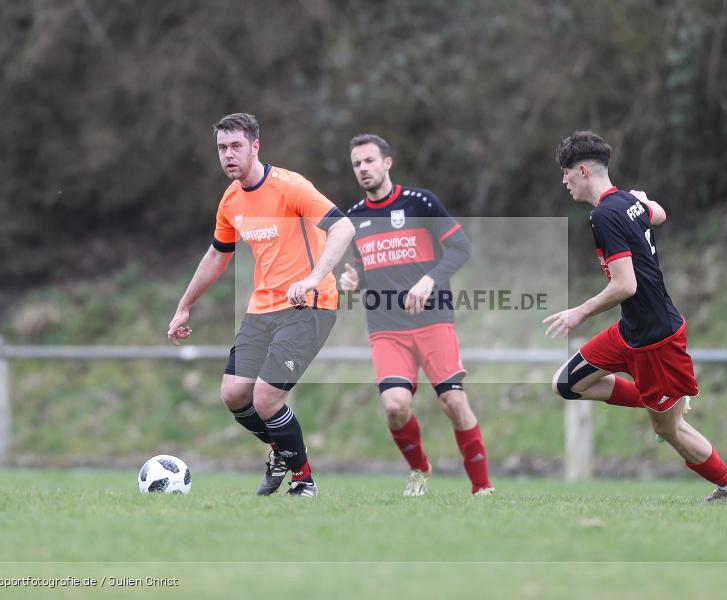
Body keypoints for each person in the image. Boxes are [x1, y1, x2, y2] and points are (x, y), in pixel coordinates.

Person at [544, 130, 727, 505]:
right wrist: (642, 201)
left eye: (567, 172)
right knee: (566, 383)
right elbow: (659, 213)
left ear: (585, 172)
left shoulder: (605, 214)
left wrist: (580, 312)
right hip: (630, 332)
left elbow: (626, 285)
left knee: (669, 430)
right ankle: (658, 399)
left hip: (657, 338)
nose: (564, 181)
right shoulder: (625, 201)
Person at [167, 113, 355, 498]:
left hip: (310, 305)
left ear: (256, 146)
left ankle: (304, 481)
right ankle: (280, 451)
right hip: (262, 308)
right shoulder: (231, 199)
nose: (228, 155)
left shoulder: (290, 186)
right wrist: (185, 305)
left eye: (236, 146)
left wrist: (313, 278)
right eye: (222, 148)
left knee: (267, 398)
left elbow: (344, 227)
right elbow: (218, 256)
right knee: (234, 394)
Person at [339, 134, 494, 497]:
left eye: (369, 161)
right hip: (386, 328)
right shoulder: (354, 218)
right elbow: (364, 269)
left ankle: (482, 487)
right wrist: (353, 281)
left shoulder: (420, 202)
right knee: (395, 406)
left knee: (453, 402)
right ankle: (420, 470)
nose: (363, 169)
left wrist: (429, 280)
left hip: (433, 320)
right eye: (357, 164)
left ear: (387, 162)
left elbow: (460, 248)